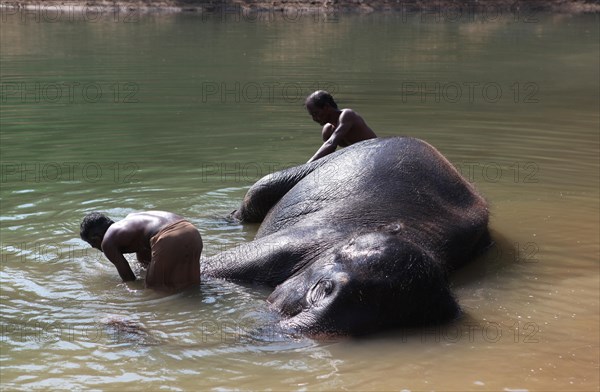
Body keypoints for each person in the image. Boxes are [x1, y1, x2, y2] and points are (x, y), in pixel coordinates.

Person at [80, 211, 202, 290]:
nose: (93, 247)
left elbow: (129, 279)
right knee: (191, 285)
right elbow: (145, 260)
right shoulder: (130, 221)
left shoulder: (107, 242)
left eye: (91, 243)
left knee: (153, 290)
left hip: (168, 237)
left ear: (96, 238)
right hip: (191, 231)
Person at [305, 90, 377, 163]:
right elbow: (326, 155)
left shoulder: (347, 115)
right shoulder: (328, 130)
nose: (314, 118)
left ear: (326, 107)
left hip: (376, 154)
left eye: (316, 113)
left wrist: (307, 165)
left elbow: (331, 144)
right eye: (312, 115)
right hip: (360, 159)